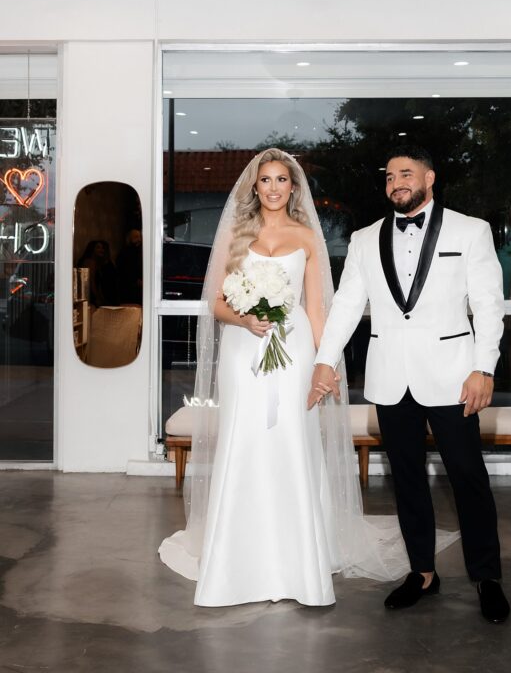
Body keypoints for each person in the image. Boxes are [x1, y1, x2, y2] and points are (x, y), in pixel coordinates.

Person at [159, 148, 416, 607]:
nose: (274, 188)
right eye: (266, 181)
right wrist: (244, 321)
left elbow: (317, 308)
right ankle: (238, 559)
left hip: (294, 350)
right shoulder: (237, 234)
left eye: (282, 180)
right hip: (243, 353)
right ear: (254, 188)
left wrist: (327, 363)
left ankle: (299, 560)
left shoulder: (307, 237)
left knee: (293, 440)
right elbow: (215, 303)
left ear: (293, 188)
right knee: (247, 439)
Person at [309, 144, 511, 623]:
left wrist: (484, 368)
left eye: (406, 173)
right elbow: (345, 307)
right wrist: (324, 361)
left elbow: (488, 304)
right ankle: (422, 572)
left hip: (455, 377)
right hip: (389, 378)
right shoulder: (362, 239)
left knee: (468, 477)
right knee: (406, 480)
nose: (396, 182)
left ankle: (488, 577)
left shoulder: (471, 230)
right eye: (389, 176)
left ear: (430, 177)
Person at [117, 228, 143, 304]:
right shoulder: (125, 253)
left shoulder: (139, 252)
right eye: (136, 237)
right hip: (129, 289)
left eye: (140, 237)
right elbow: (125, 270)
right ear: (129, 239)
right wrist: (136, 280)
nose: (139, 240)